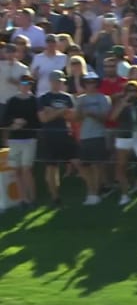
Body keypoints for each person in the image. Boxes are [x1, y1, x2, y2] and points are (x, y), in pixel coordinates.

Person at [37, 70, 79, 208]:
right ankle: (55, 197)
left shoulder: (68, 98)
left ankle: (94, 191)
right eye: (56, 81)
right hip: (49, 135)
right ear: (51, 82)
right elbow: (44, 118)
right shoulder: (43, 98)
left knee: (78, 162)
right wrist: (61, 112)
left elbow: (72, 117)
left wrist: (53, 112)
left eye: (60, 81)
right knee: (51, 167)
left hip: (66, 134)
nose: (58, 83)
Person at [3, 74, 39, 207]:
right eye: (23, 83)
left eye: (29, 84)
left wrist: (24, 123)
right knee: (16, 170)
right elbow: (4, 120)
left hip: (29, 139)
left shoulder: (34, 100)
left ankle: (32, 198)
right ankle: (23, 199)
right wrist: (14, 123)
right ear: (19, 85)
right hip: (14, 140)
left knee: (27, 169)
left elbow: (38, 121)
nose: (26, 86)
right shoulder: (12, 100)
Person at [76, 72, 111, 206]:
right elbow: (77, 119)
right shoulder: (81, 99)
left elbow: (105, 118)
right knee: (85, 166)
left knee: (97, 165)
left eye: (93, 82)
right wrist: (79, 110)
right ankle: (90, 191)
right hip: (84, 135)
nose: (90, 85)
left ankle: (96, 193)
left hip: (98, 135)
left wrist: (92, 114)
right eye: (87, 82)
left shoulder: (103, 98)